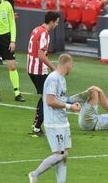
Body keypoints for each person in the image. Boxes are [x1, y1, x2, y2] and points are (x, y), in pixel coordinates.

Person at [28, 54, 81, 183]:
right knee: (59, 155)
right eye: (71, 65)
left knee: (64, 155)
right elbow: (50, 101)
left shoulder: (62, 79)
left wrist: (75, 101)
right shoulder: (53, 79)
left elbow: (60, 98)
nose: (71, 68)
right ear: (67, 65)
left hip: (62, 121)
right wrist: (69, 107)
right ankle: (34, 174)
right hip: (53, 122)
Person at [27, 11, 60, 137]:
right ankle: (37, 127)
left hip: (31, 68)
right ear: (51, 21)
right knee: (48, 98)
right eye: (56, 22)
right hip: (38, 69)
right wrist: (54, 68)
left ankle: (37, 124)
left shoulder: (36, 29)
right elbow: (41, 55)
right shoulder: (44, 34)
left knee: (44, 96)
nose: (56, 25)